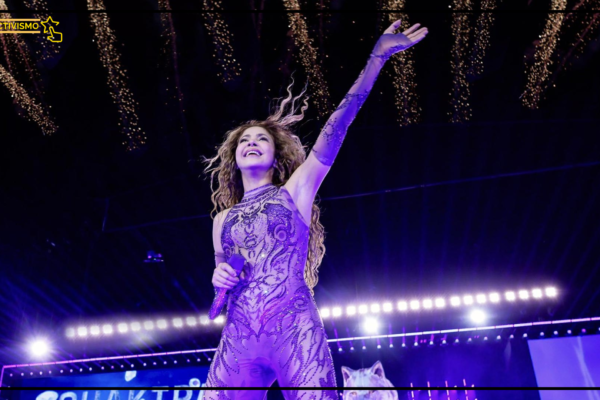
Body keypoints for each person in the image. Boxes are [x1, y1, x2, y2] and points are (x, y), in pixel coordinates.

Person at [202, 20, 428, 400]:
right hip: (238, 338)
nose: (252, 142)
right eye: (244, 140)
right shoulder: (221, 220)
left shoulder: (296, 190)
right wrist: (218, 278)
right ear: (234, 158)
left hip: (295, 331)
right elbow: (219, 289)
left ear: (276, 157)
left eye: (261, 139)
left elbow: (338, 123)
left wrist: (376, 58)